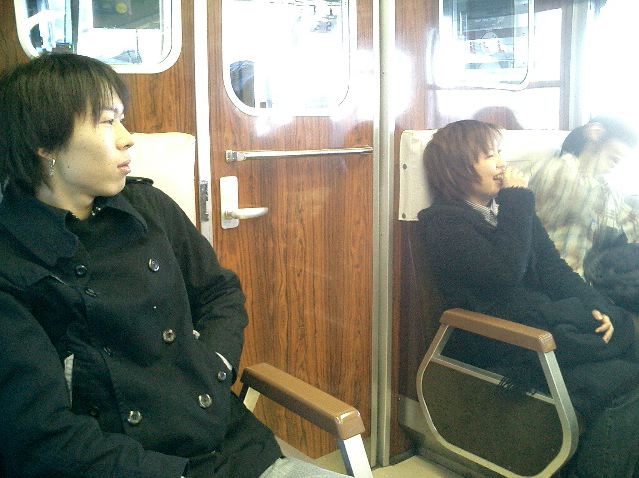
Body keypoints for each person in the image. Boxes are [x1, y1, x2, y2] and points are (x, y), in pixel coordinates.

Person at [0, 53, 347, 478]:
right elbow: (43, 436)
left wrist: (216, 363)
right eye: (107, 122)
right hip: (130, 466)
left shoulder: (147, 207)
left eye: (122, 120)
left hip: (231, 449)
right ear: (46, 144)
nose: (128, 139)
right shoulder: (13, 261)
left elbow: (219, 291)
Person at [417, 119, 639, 478]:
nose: (501, 163)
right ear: (457, 168)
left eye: (499, 153)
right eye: (489, 155)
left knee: (627, 341)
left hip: (541, 324)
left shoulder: (507, 212)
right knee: (628, 383)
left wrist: (600, 308)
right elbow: (505, 273)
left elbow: (555, 271)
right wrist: (518, 199)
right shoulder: (444, 223)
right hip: (506, 343)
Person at [528, 117, 639, 277]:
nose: (626, 151)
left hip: (583, 280)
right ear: (596, 133)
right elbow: (574, 196)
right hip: (547, 278)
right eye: (624, 141)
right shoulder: (556, 169)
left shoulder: (606, 189)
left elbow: (633, 225)